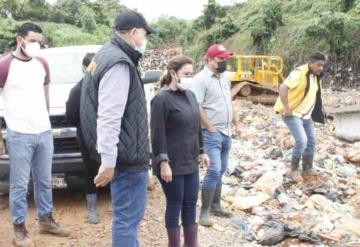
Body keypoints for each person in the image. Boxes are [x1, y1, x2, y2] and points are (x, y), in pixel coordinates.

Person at [80, 11, 155, 246]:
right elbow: (109, 115)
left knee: (126, 218)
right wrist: (109, 159)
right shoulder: (119, 63)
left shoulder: (104, 54)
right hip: (127, 157)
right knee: (127, 219)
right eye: (144, 34)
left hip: (121, 152)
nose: (144, 40)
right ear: (133, 32)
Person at [0, 22, 70, 247]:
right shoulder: (5, 65)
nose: (36, 45)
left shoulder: (42, 64)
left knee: (44, 180)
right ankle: (19, 228)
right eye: (32, 40)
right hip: (19, 133)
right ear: (20, 39)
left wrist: (46, 122)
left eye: (39, 41)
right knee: (20, 184)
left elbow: (45, 94)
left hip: (43, 132)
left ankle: (46, 220)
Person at [151, 55, 210, 247]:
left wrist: (202, 151)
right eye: (186, 74)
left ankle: (191, 244)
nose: (189, 78)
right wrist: (163, 162)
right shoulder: (161, 99)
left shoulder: (190, 96)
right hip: (171, 163)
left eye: (191, 74)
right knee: (175, 204)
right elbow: (157, 134)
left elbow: (196, 126)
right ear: (173, 73)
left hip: (189, 160)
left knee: (191, 203)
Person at [190, 44, 241, 227]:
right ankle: (204, 211)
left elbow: (229, 101)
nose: (224, 62)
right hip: (211, 133)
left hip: (226, 131)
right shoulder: (200, 80)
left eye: (225, 59)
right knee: (213, 169)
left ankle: (216, 205)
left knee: (221, 169)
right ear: (210, 60)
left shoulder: (224, 78)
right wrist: (210, 127)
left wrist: (237, 123)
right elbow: (197, 106)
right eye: (220, 59)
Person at [274, 52, 326, 182]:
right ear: (311, 63)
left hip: (306, 115)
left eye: (323, 65)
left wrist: (321, 110)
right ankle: (294, 170)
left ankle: (307, 168)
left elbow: (315, 95)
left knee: (311, 140)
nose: (321, 68)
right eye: (319, 65)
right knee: (302, 141)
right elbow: (283, 88)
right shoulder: (299, 73)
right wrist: (286, 108)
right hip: (292, 114)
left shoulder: (316, 76)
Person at [65, 53, 100, 224]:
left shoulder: (108, 86)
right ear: (85, 68)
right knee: (91, 170)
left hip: (109, 135)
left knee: (116, 170)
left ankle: (119, 205)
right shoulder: (77, 90)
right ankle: (92, 209)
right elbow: (70, 117)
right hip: (86, 137)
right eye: (92, 65)